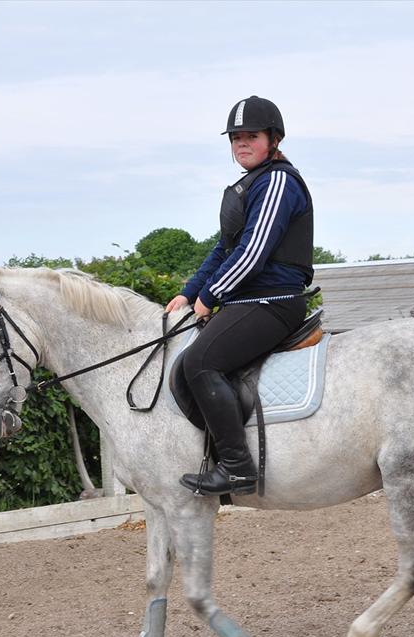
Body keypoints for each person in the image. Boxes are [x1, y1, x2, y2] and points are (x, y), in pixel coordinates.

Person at [166, 95, 314, 496]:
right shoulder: (251, 184)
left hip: (272, 301)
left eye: (251, 136)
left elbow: (252, 253)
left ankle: (236, 467)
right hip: (246, 300)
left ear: (273, 139)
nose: (241, 143)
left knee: (200, 362)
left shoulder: (278, 182)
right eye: (235, 138)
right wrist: (189, 293)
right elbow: (224, 249)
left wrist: (210, 295)